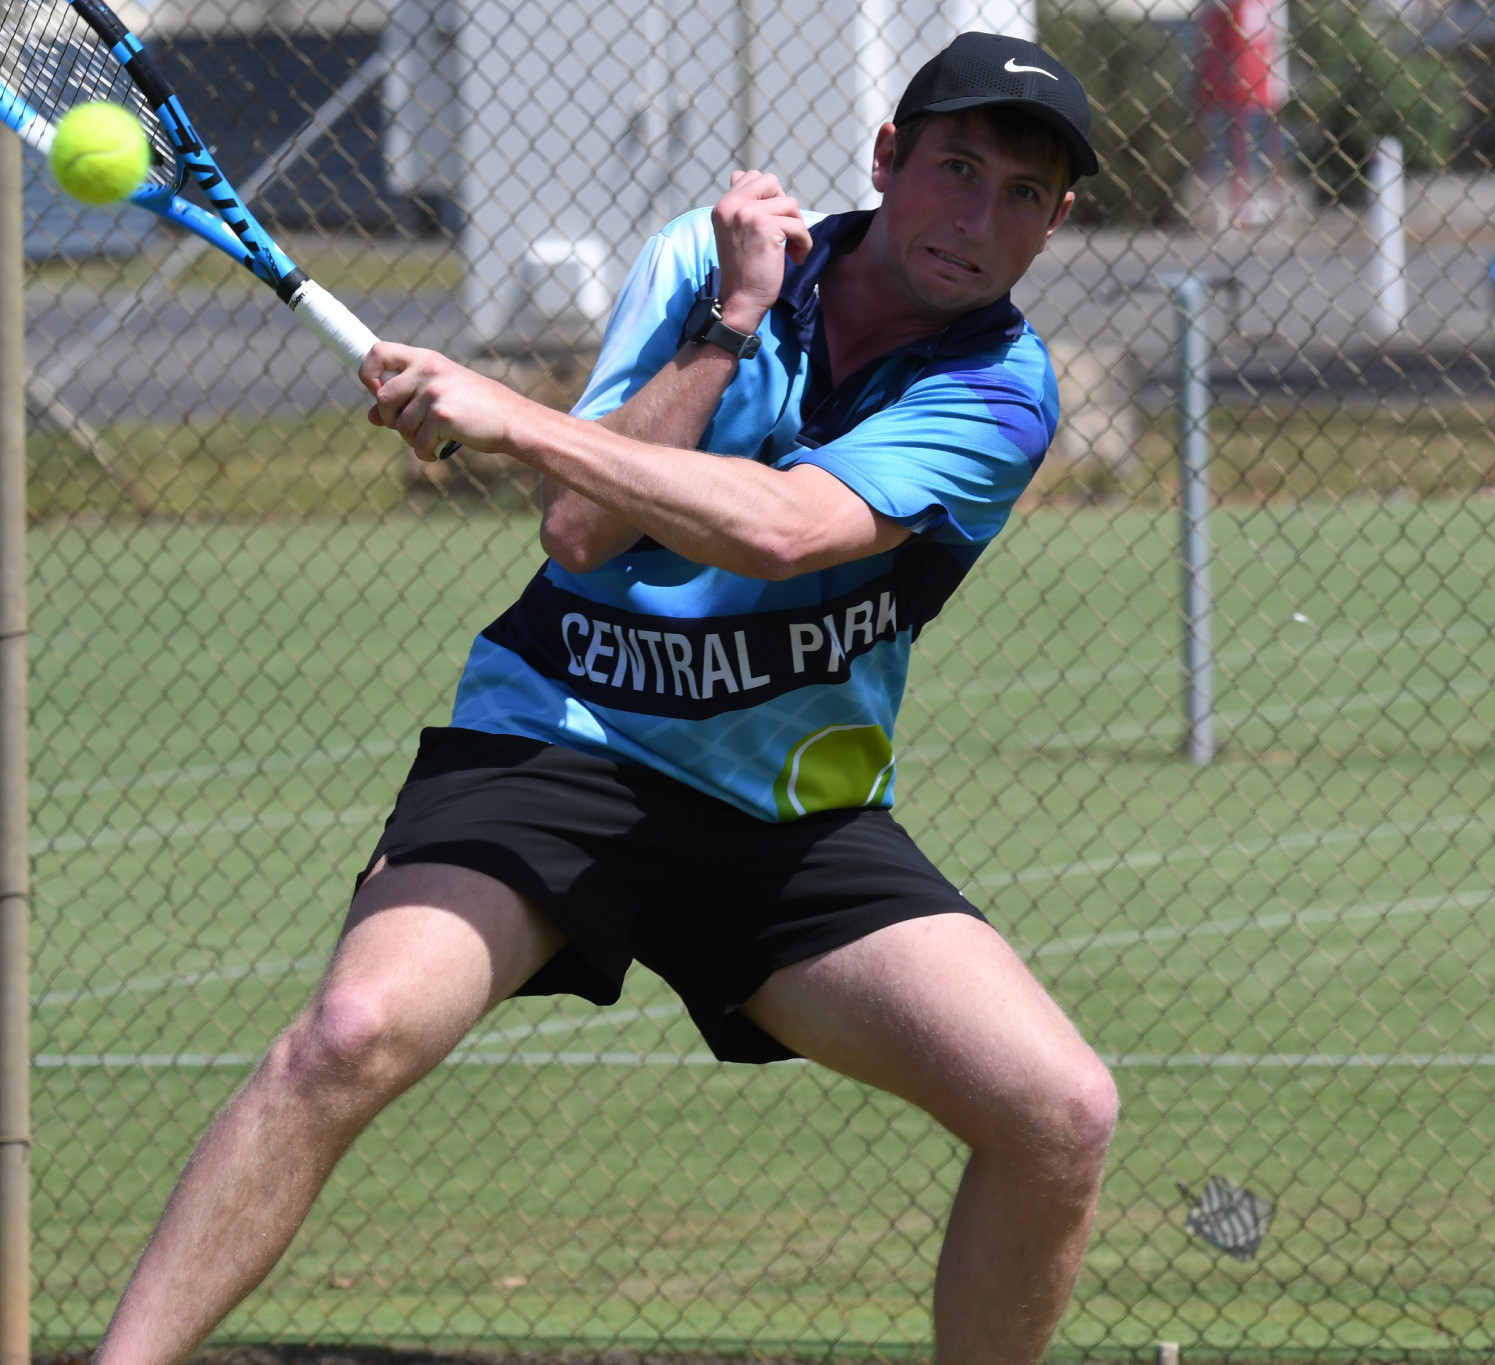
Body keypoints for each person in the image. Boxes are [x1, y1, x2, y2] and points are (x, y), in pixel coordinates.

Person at [97, 32, 1116, 1365]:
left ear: (1057, 223)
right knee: (349, 1032)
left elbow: (785, 532)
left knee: (1060, 1109)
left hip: (781, 812)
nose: (978, 219)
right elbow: (578, 526)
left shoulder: (1001, 389)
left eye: (1023, 195)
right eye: (957, 168)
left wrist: (509, 415)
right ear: (886, 161)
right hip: (560, 739)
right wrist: (730, 321)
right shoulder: (712, 260)